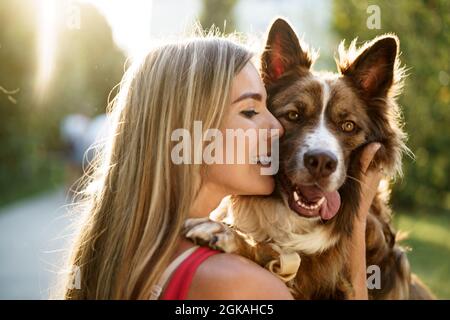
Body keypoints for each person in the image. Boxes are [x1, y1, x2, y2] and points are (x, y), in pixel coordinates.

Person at [61, 34, 382, 300]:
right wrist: (356, 262)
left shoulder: (124, 253)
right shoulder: (242, 286)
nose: (276, 127)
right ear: (191, 130)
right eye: (251, 111)